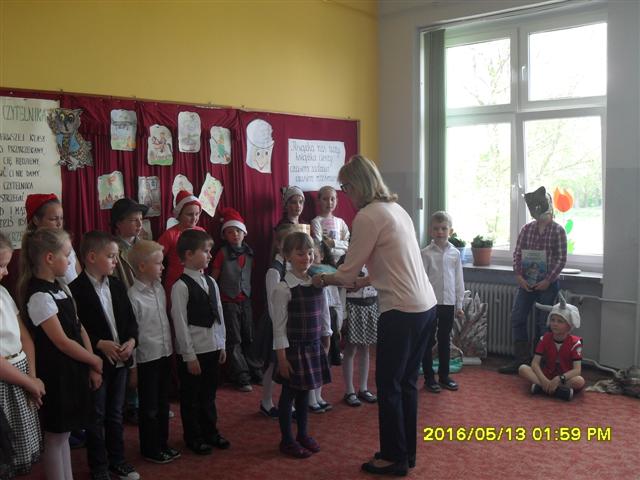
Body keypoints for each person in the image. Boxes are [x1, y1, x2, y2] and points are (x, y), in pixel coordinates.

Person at [312, 155, 436, 476]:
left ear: (357, 185)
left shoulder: (367, 216)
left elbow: (346, 273)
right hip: (425, 307)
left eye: (345, 187)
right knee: (406, 383)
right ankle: (406, 453)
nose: (346, 194)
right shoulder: (396, 209)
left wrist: (321, 278)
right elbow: (396, 264)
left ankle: (393, 457)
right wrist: (366, 280)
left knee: (388, 385)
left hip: (401, 310)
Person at [18, 228, 102, 480]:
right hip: (57, 374)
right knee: (55, 436)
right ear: (49, 258)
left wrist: (92, 363)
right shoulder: (39, 295)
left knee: (64, 434)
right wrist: (94, 359)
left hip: (73, 369)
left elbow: (78, 327)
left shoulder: (60, 288)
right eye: (67, 255)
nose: (70, 261)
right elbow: (62, 341)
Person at [69, 231, 139, 480]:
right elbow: (75, 330)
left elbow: (130, 321)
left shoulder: (117, 286)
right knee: (96, 416)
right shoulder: (75, 290)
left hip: (120, 360)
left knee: (116, 413)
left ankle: (117, 460)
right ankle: (98, 466)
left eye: (116, 256)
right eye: (110, 256)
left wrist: (131, 341)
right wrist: (100, 344)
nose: (115, 261)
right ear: (91, 257)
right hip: (96, 363)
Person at [272, 232, 332, 458]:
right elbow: (279, 327)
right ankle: (287, 440)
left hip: (314, 345)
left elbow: (324, 312)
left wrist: (326, 337)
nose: (306, 258)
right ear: (287, 256)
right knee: (289, 394)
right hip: (293, 349)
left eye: (309, 253)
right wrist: (281, 358)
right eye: (300, 254)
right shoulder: (283, 288)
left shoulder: (317, 283)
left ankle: (303, 434)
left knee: (305, 392)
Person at [170, 229, 229, 456]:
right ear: (188, 254)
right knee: (191, 397)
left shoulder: (211, 281)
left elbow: (219, 313)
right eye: (205, 251)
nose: (210, 255)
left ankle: (210, 432)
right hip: (194, 352)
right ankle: (193, 437)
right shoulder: (180, 286)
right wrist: (189, 355)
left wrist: (222, 343)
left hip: (212, 347)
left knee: (209, 395)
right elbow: (180, 322)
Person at [499, 186, 567, 374]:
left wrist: (548, 280)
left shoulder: (558, 231)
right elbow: (517, 254)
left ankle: (540, 363)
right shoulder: (526, 229)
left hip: (548, 285)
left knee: (544, 323)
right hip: (526, 283)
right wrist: (519, 276)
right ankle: (521, 360)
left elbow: (561, 259)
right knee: (517, 317)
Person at [126, 240, 180, 464]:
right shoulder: (133, 296)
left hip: (164, 353)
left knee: (162, 403)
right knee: (149, 407)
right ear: (142, 266)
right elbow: (132, 333)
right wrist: (133, 367)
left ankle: (162, 443)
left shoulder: (159, 288)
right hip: (147, 358)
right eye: (158, 263)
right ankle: (150, 448)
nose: (163, 267)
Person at [0, 232, 45, 478]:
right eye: (1, 266)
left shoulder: (3, 293)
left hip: (21, 373)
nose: (6, 272)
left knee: (19, 452)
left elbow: (25, 337)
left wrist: (32, 376)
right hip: (5, 380)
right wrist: (29, 382)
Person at [212, 207, 261, 391]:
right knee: (234, 339)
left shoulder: (249, 253)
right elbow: (214, 277)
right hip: (228, 301)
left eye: (238, 231)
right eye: (230, 232)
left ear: (244, 233)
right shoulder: (222, 253)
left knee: (249, 335)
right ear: (224, 235)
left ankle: (255, 369)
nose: (235, 235)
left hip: (245, 299)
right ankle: (241, 376)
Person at [110, 197, 149, 426]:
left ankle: (146, 400)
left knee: (147, 353)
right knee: (130, 354)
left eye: (140, 219)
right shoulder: (113, 250)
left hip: (147, 306)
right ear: (118, 223)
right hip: (126, 306)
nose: (139, 224)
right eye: (133, 220)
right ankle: (131, 404)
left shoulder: (145, 245)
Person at [420, 211, 465, 393]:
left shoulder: (455, 253)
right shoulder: (425, 253)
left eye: (444, 228)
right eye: (436, 228)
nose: (440, 232)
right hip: (430, 304)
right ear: (431, 231)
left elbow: (459, 280)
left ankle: (444, 376)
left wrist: (459, 304)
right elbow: (421, 280)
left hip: (448, 303)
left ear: (450, 231)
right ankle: (429, 378)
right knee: (428, 340)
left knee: (445, 339)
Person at [257, 223, 298, 419]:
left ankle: (288, 403)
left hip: (290, 322)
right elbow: (273, 304)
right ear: (280, 246)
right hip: (277, 324)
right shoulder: (274, 271)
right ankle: (266, 402)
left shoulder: (291, 267)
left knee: (287, 363)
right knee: (273, 364)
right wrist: (280, 329)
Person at [518, 296, 585, 401]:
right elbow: (535, 363)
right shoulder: (544, 338)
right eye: (553, 320)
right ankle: (557, 390)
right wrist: (544, 380)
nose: (555, 324)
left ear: (569, 326)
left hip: (563, 378)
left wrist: (559, 378)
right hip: (547, 375)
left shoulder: (575, 343)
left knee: (579, 381)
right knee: (522, 369)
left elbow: (577, 370)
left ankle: (540, 388)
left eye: (560, 321)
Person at [307, 240, 343, 413]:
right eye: (308, 254)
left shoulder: (330, 273)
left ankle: (318, 395)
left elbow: (337, 301)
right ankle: (310, 398)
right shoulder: (309, 276)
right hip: (316, 317)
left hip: (330, 317)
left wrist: (339, 324)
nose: (311, 258)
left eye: (314, 254)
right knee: (313, 359)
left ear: (321, 256)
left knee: (325, 360)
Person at [342, 264, 378, 408]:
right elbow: (342, 287)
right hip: (353, 304)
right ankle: (349, 390)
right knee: (350, 349)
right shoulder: (348, 261)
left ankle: (363, 388)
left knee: (365, 347)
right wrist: (343, 314)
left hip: (371, 304)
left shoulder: (375, 260)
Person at [24, 193, 80, 285]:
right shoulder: (38, 250)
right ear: (36, 220)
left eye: (61, 218)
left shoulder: (64, 243)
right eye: (53, 219)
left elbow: (78, 275)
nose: (59, 223)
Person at [158, 190, 204, 293]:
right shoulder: (170, 235)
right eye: (189, 214)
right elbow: (156, 258)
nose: (194, 218)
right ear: (179, 214)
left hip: (198, 282)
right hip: (176, 284)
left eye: (197, 214)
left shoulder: (201, 232)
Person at [310, 185, 350, 265]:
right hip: (326, 261)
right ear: (318, 201)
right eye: (325, 199)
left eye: (332, 199)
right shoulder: (316, 221)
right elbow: (319, 245)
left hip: (343, 261)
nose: (329, 203)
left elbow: (348, 244)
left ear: (336, 200)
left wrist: (333, 243)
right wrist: (341, 248)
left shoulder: (341, 222)